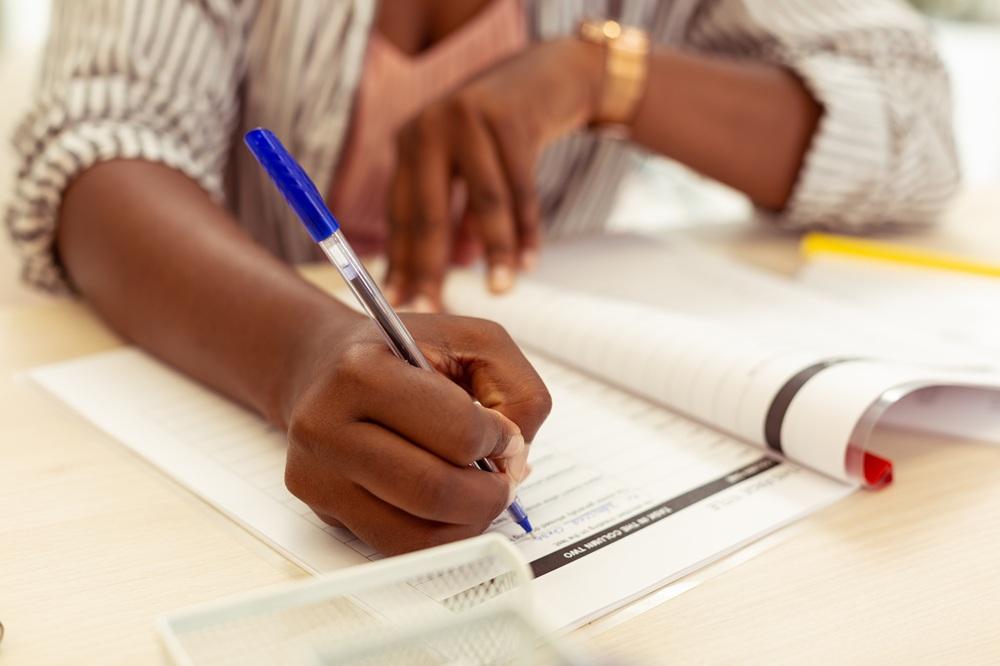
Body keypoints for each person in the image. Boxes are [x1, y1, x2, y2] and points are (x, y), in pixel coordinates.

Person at [5, 0, 958, 554]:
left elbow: (916, 129)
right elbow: (95, 151)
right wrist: (305, 350)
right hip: (175, 424)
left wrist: (603, 77)